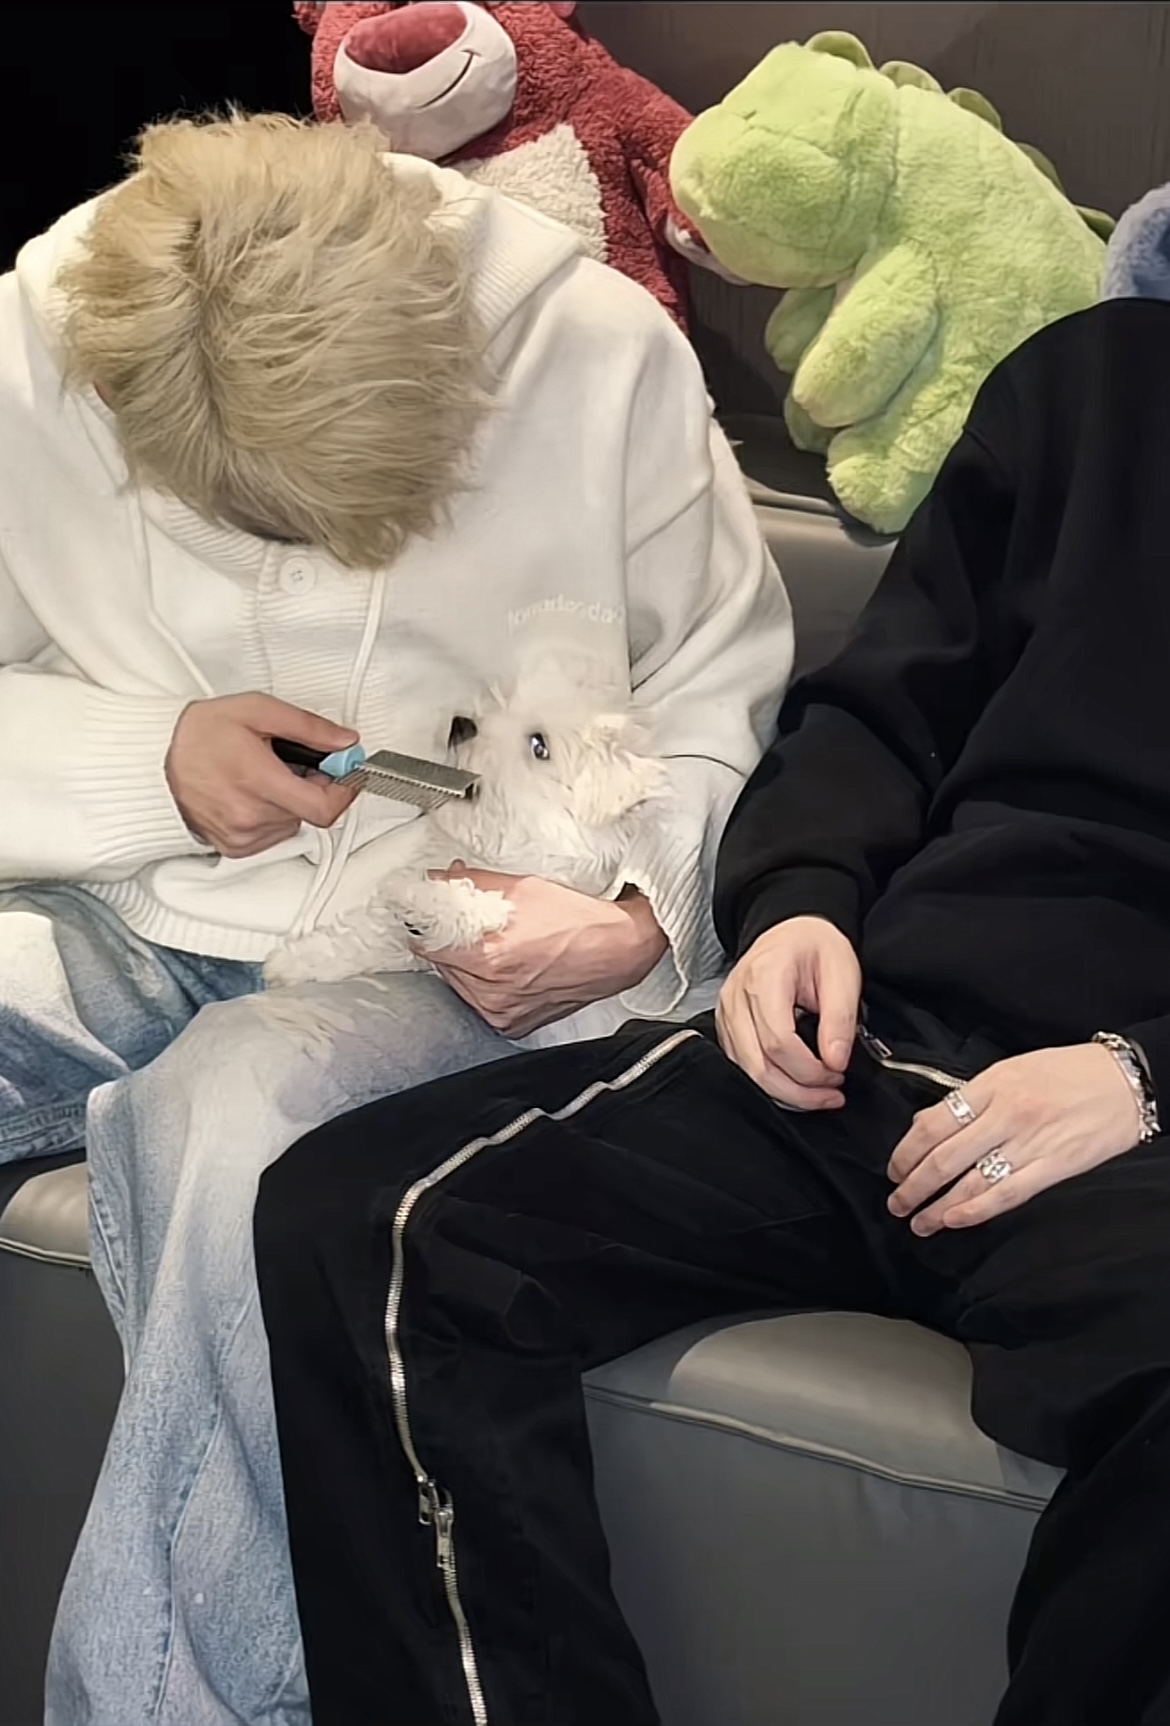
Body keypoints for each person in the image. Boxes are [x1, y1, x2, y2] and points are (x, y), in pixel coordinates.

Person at [255, 295, 1170, 1726]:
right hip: (869, 1044)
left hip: (1137, 1139)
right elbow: (880, 712)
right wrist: (799, 899)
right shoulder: (1097, 380)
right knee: (367, 1220)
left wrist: (1140, 1076)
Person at [0, 112, 790, 1723]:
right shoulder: (36, 329)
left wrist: (632, 913)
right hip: (108, 896)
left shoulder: (595, 356)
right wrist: (150, 760)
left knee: (242, 1130)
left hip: (440, 944)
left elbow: (721, 695)